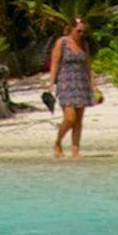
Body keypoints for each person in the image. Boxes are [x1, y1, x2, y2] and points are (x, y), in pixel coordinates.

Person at [46, 18, 96, 161]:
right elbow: (54, 64)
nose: (81, 34)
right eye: (78, 31)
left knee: (78, 120)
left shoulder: (84, 44)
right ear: (71, 29)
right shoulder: (61, 43)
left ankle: (75, 150)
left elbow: (87, 66)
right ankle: (58, 142)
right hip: (65, 84)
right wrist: (51, 84)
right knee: (70, 118)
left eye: (83, 31)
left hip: (81, 83)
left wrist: (94, 86)